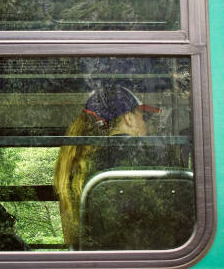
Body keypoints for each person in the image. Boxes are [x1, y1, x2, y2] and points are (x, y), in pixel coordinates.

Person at [54, 85, 160, 247]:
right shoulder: (138, 151)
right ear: (129, 119)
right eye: (143, 117)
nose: (147, 126)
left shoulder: (83, 162)